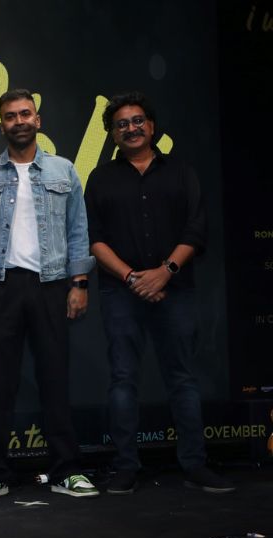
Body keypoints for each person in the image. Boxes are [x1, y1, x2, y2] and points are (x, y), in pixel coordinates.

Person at [84, 91, 234, 495]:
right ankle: (125, 468)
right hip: (121, 292)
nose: (131, 128)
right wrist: (133, 278)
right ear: (112, 134)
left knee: (182, 379)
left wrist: (164, 273)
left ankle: (195, 465)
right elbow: (94, 239)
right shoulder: (100, 178)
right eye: (121, 124)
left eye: (137, 121)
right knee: (122, 380)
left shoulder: (181, 173)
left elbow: (196, 230)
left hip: (175, 290)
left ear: (151, 126)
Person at [0, 89, 98, 501]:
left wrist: (79, 284)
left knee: (55, 379)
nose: (18, 121)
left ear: (37, 120)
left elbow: (78, 231)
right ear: (1, 124)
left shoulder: (64, 170)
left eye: (25, 114)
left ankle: (66, 470)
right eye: (10, 116)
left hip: (52, 284)